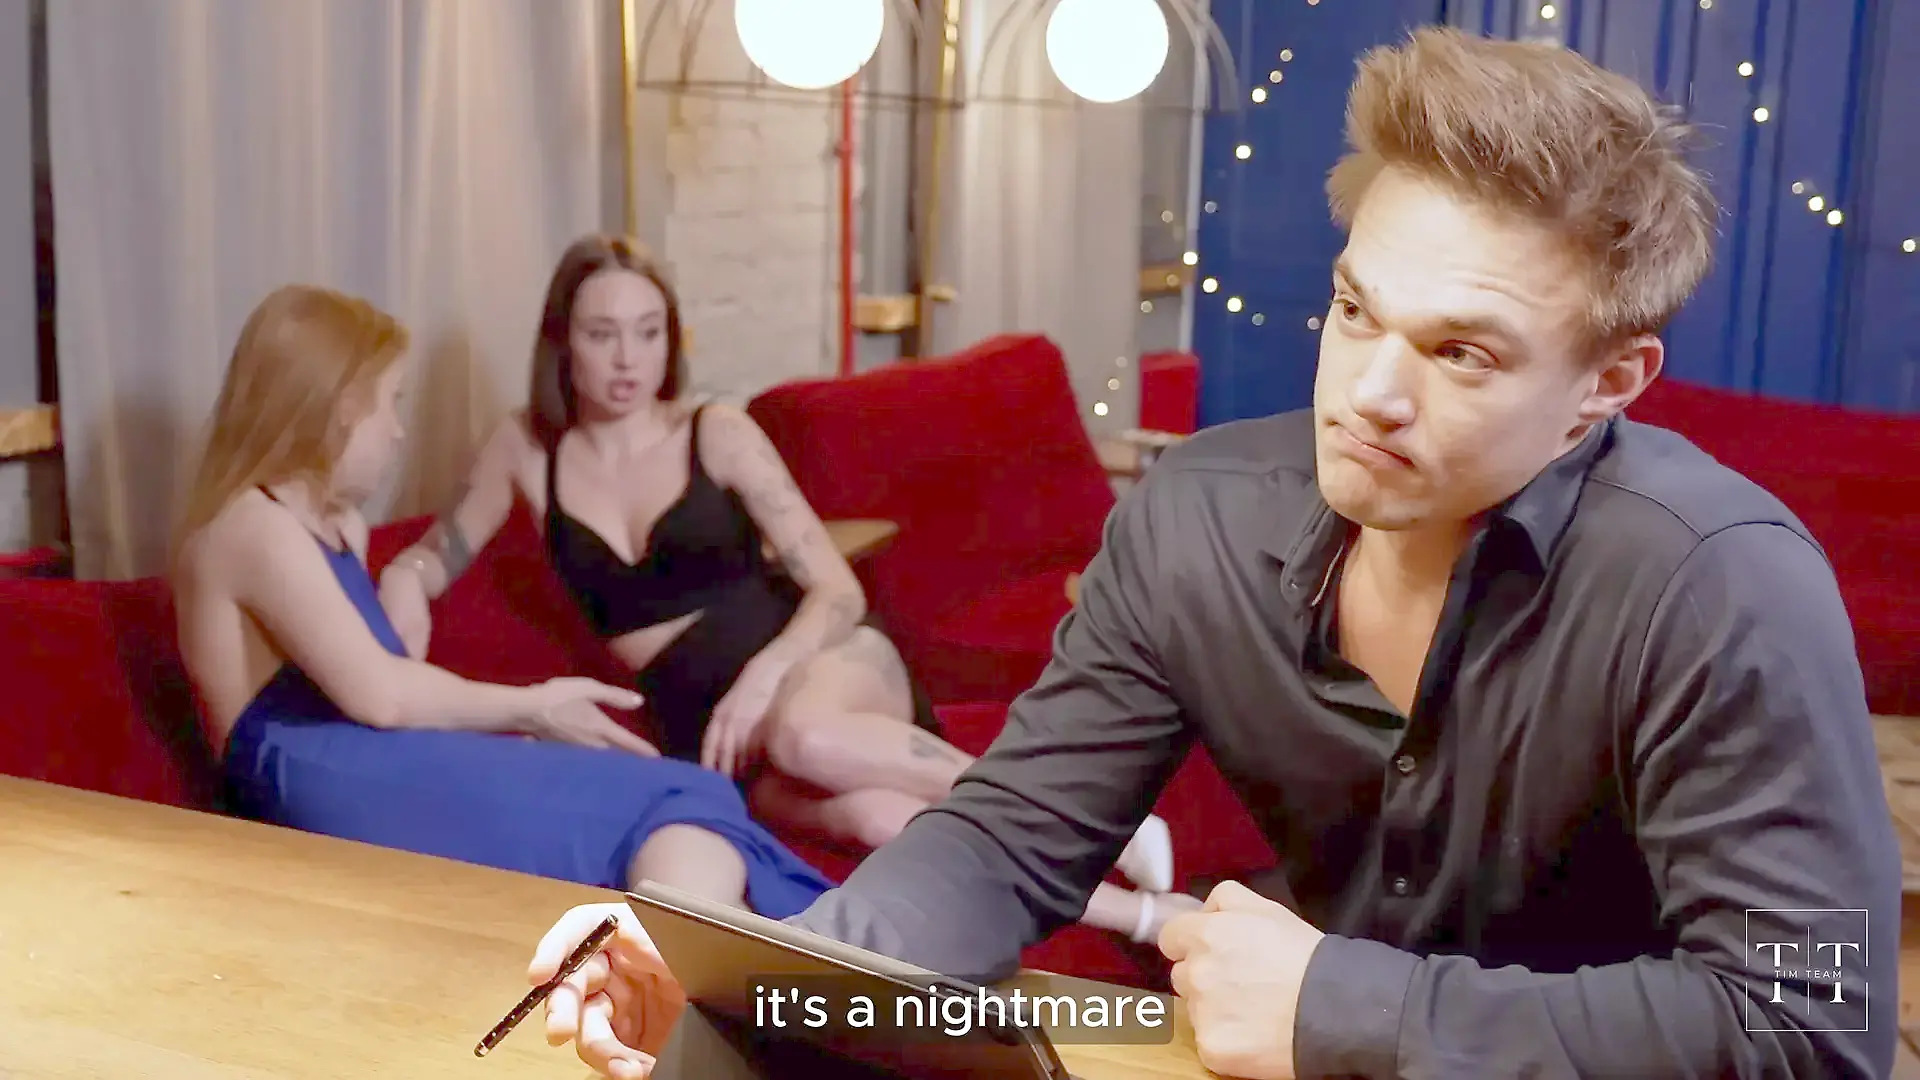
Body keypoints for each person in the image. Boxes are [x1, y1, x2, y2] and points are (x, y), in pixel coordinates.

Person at [521, 27, 1902, 1080]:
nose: (1370, 394)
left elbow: (1814, 1024)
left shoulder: (1726, 587)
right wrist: (752, 996)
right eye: (1356, 310)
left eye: (1463, 353)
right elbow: (1005, 841)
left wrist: (1345, 1006)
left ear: (1609, 383)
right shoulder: (1195, 518)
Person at [374, 234, 1190, 944]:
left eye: (649, 332)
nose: (628, 359)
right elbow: (437, 553)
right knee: (876, 819)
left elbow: (836, 589)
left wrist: (765, 675)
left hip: (817, 662)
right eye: (602, 334)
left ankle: (1088, 823)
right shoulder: (527, 449)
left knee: (809, 738)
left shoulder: (716, 432)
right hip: (713, 736)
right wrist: (405, 578)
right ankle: (1147, 917)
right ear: (562, 342)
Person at [172, 283, 836, 920]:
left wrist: (406, 584)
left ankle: (765, 962)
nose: (397, 432)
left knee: (693, 792)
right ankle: (754, 966)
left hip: (371, 757)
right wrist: (532, 708)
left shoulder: (328, 519)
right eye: (389, 403)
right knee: (669, 799)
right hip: (317, 777)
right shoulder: (253, 527)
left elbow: (384, 682)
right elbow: (382, 697)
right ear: (341, 407)